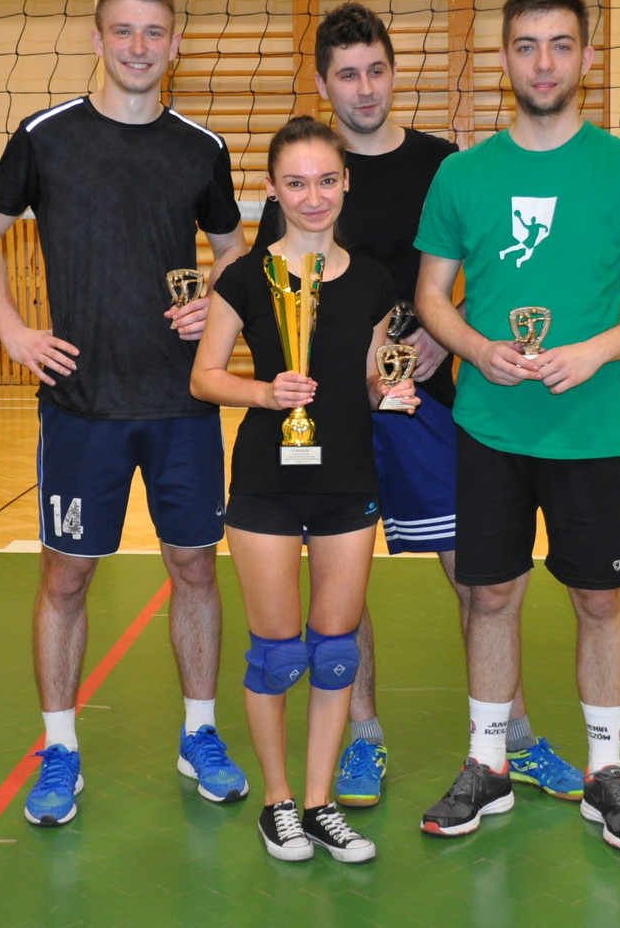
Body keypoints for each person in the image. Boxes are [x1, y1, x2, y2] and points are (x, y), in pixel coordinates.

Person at [254, 3, 585, 809]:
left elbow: (496, 265)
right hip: (336, 415)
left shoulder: (447, 165)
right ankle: (362, 736)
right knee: (341, 591)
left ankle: (513, 735)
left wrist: (451, 329)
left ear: (394, 72)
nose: (364, 89)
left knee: (479, 578)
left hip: (429, 407)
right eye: (347, 75)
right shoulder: (309, 179)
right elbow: (276, 292)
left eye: (376, 70)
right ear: (324, 84)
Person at [0, 0, 250, 827]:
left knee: (195, 568)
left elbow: (235, 249)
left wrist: (213, 298)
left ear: (175, 44)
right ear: (97, 39)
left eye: (153, 31)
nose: (137, 46)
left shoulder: (200, 147)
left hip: (181, 401)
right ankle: (60, 748)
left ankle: (200, 734)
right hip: (80, 404)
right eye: (122, 30)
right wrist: (12, 329)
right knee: (67, 575)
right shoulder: (46, 137)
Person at [412, 0, 620, 850]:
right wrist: (474, 346)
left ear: (587, 57)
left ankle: (607, 773)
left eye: (561, 44)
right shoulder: (463, 175)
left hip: (591, 428)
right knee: (490, 593)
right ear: (504, 58)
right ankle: (488, 763)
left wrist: (596, 350)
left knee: (598, 599)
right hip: (490, 424)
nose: (543, 62)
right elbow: (431, 296)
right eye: (527, 45)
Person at [192, 116, 417, 863]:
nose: (313, 196)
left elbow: (370, 378)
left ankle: (319, 805)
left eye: (326, 180)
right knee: (277, 655)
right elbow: (204, 376)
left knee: (335, 653)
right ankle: (278, 803)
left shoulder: (376, 281)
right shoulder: (243, 276)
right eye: (296, 183)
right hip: (265, 482)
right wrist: (265, 394)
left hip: (347, 481)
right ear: (272, 190)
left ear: (346, 182)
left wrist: (391, 391)